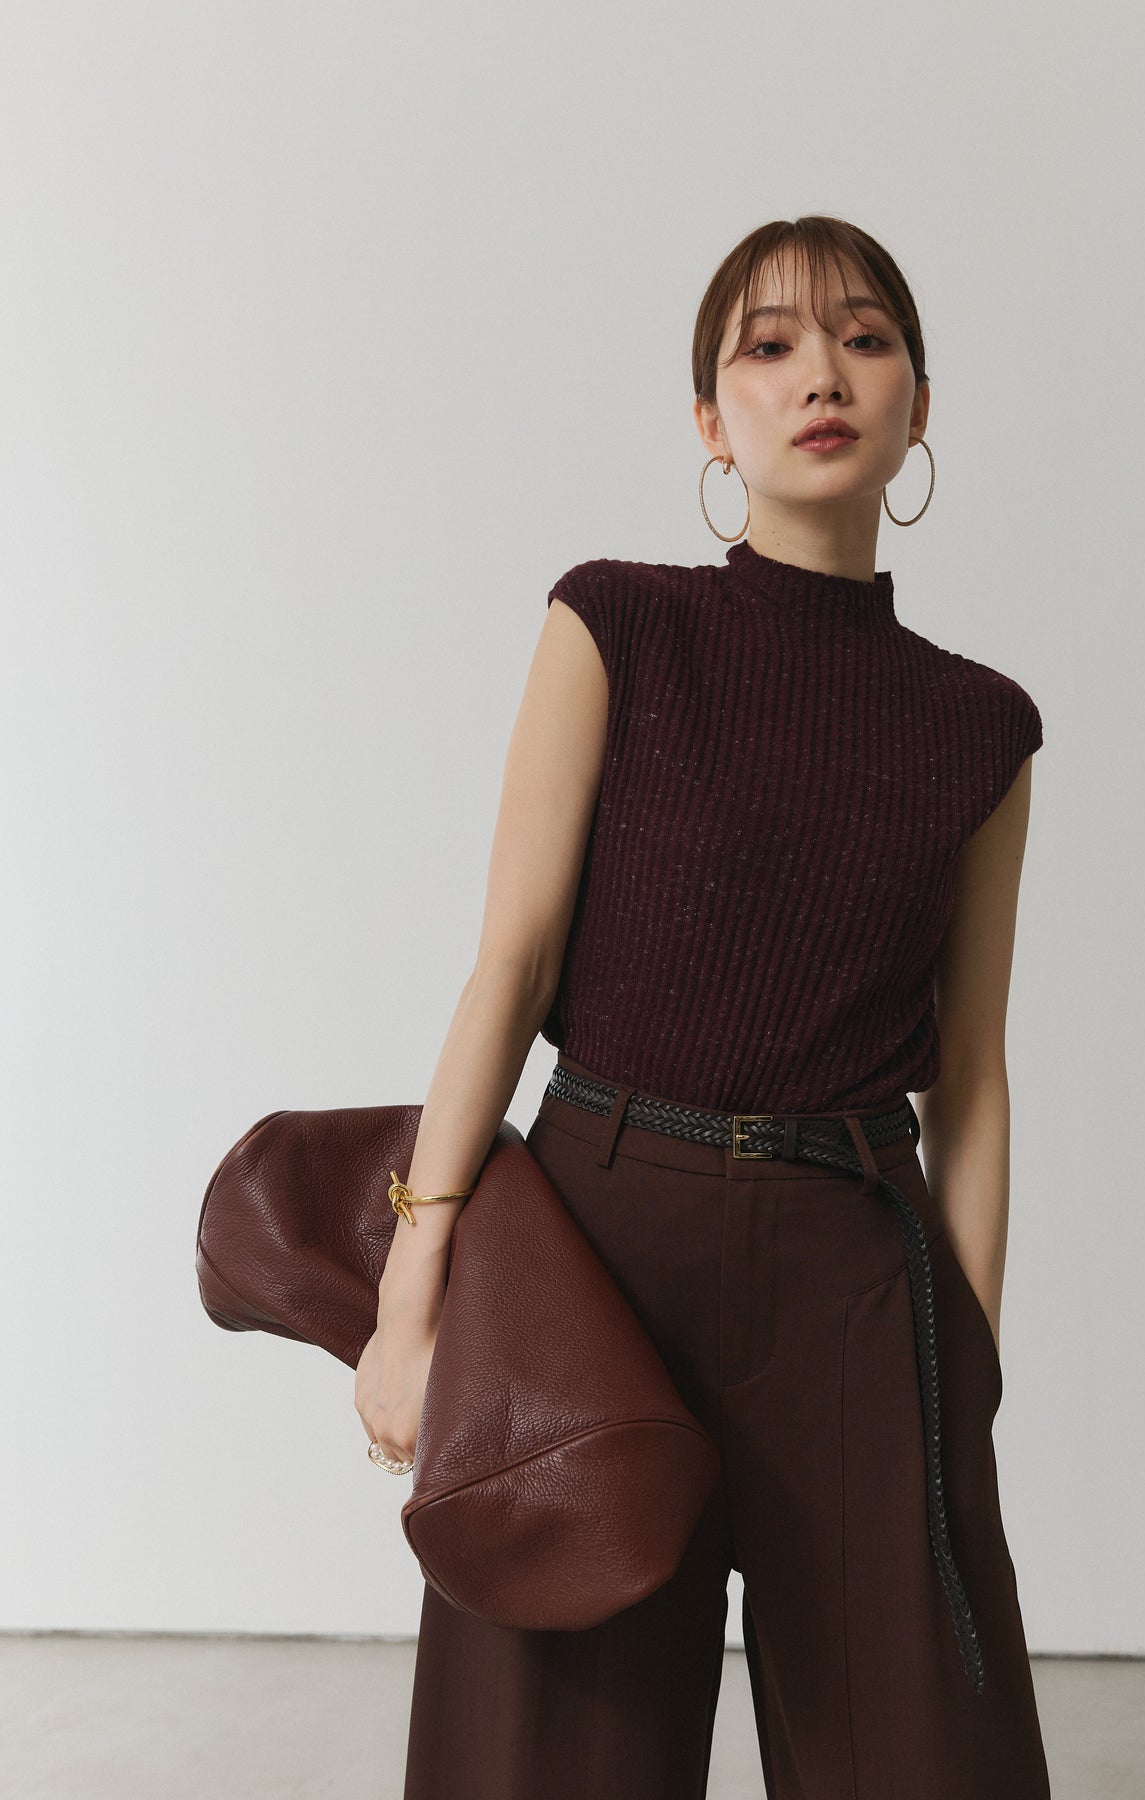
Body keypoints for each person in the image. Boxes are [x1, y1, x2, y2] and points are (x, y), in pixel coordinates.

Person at [357, 214, 1054, 1799]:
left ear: (918, 408)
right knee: (546, 1760)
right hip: (599, 1245)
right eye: (769, 344)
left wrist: (969, 1356)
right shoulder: (617, 624)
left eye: (864, 339)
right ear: (708, 422)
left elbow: (972, 1074)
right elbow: (510, 964)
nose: (822, 375)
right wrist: (417, 1287)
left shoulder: (980, 728)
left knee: (919, 1761)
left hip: (855, 1275)